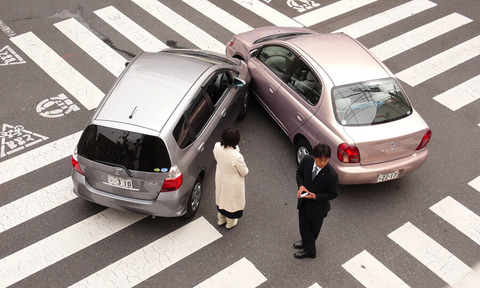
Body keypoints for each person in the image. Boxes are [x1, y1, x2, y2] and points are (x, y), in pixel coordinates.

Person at [293, 143, 338, 259]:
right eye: (320, 160)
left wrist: (316, 196)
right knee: (303, 226)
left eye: (326, 160)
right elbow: (299, 174)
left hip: (318, 208)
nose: (323, 163)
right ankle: (305, 242)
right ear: (314, 157)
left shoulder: (332, 175)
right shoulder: (307, 160)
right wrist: (301, 186)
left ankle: (310, 252)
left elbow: (333, 194)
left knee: (312, 231)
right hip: (304, 202)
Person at [213, 127, 249, 229]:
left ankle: (221, 219)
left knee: (221, 198)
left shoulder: (216, 147)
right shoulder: (237, 156)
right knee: (231, 202)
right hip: (232, 183)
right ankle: (230, 222)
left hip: (221, 177)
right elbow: (244, 172)